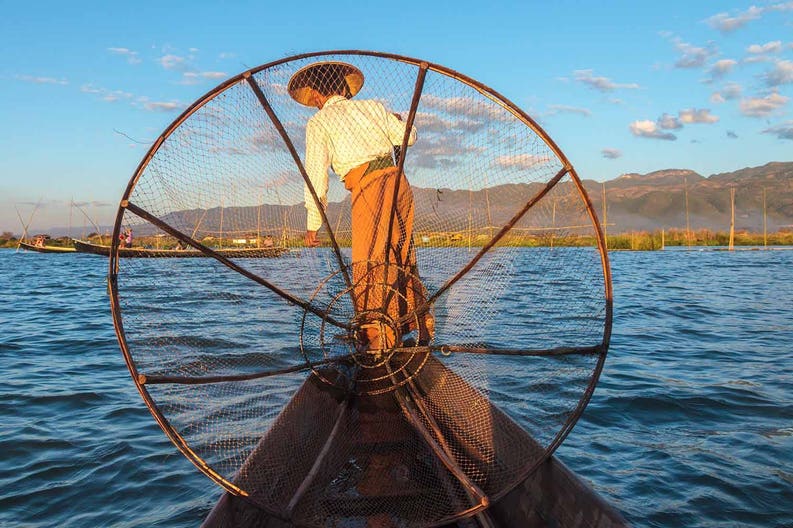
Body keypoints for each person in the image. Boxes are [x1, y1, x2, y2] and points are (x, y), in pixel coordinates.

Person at [288, 61, 433, 349]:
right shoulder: (373, 107)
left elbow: (316, 175)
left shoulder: (319, 122)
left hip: (369, 187)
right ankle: (417, 325)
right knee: (401, 255)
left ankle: (375, 338)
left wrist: (313, 223)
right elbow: (410, 136)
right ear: (343, 89)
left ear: (316, 94)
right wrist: (397, 120)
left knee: (369, 262)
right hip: (398, 183)